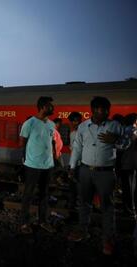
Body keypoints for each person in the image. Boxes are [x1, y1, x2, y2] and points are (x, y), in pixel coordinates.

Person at [68, 96, 123, 256]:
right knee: (84, 203)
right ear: (92, 110)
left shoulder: (115, 126)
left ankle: (107, 239)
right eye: (100, 109)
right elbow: (77, 148)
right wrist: (72, 167)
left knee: (107, 206)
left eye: (106, 109)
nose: (104, 112)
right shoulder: (83, 127)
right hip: (85, 170)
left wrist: (117, 140)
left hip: (106, 172)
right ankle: (83, 230)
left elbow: (125, 144)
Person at [19, 96, 56, 234]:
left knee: (44, 195)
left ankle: (42, 221)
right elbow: (22, 142)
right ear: (42, 107)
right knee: (28, 194)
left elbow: (51, 142)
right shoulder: (30, 123)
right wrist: (25, 158)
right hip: (32, 165)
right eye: (50, 106)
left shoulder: (51, 124)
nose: (53, 108)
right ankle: (24, 223)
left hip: (48, 165)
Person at [116, 113, 137, 216]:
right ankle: (130, 210)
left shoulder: (125, 131)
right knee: (130, 188)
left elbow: (120, 147)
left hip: (125, 163)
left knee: (127, 188)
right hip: (131, 163)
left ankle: (128, 209)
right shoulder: (133, 131)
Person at [67, 111, 83, 209]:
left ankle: (72, 205)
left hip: (75, 164)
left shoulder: (74, 133)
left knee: (73, 187)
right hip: (82, 163)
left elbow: (74, 150)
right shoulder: (84, 132)